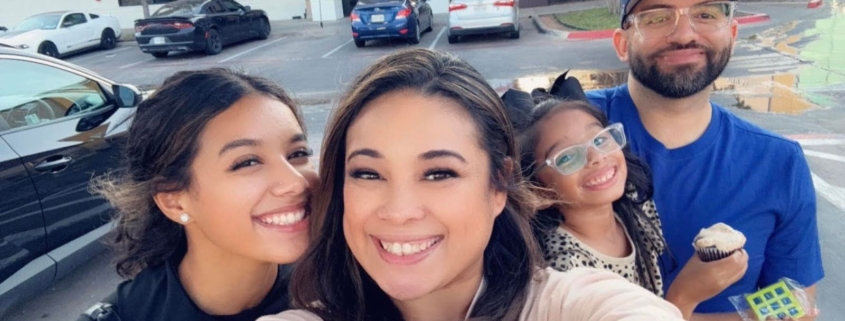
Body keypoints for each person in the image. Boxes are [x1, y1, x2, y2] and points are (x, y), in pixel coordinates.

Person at [258, 48, 685, 321]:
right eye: (368, 174)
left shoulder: (568, 304)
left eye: (440, 173)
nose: (399, 210)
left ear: (498, 186)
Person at [585, 0, 824, 319]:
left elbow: (796, 307)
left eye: (706, 14)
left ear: (732, 34)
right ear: (622, 43)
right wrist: (683, 300)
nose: (684, 33)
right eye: (657, 17)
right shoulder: (561, 134)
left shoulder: (778, 162)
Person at [81, 68, 318, 321]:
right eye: (247, 162)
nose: (296, 181)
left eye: (297, 154)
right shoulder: (125, 316)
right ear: (174, 202)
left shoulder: (339, 288)